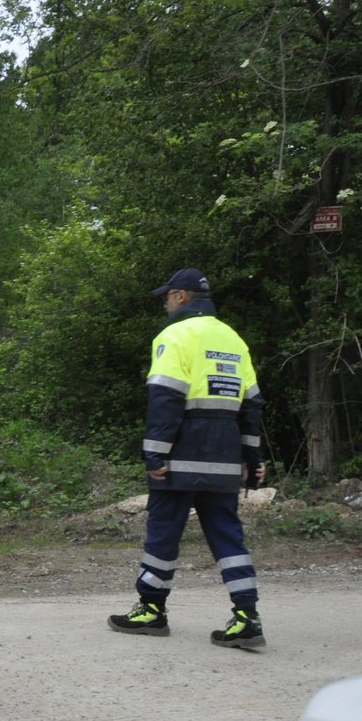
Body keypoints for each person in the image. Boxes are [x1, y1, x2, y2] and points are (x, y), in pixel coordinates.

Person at [108, 267, 266, 649]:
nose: (164, 303)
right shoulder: (233, 338)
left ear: (181, 297)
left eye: (166, 296)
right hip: (225, 453)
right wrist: (252, 456)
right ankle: (247, 616)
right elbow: (252, 403)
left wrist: (155, 454)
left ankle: (150, 610)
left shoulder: (175, 334)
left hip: (182, 450)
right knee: (228, 535)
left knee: (163, 532)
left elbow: (165, 398)